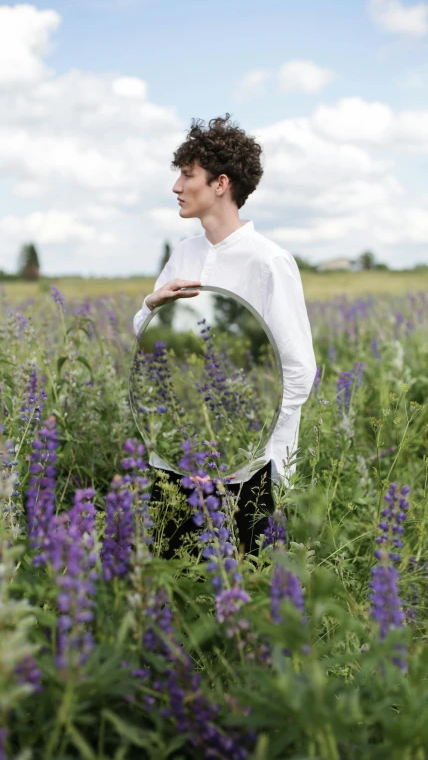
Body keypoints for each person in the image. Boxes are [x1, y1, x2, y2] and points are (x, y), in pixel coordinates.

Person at [132, 114, 316, 554]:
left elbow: (298, 371)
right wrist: (151, 305)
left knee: (243, 595)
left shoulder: (267, 261)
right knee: (173, 584)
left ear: (220, 183)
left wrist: (243, 450)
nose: (177, 186)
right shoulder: (184, 253)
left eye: (187, 174)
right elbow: (149, 344)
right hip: (179, 455)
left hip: (249, 473)